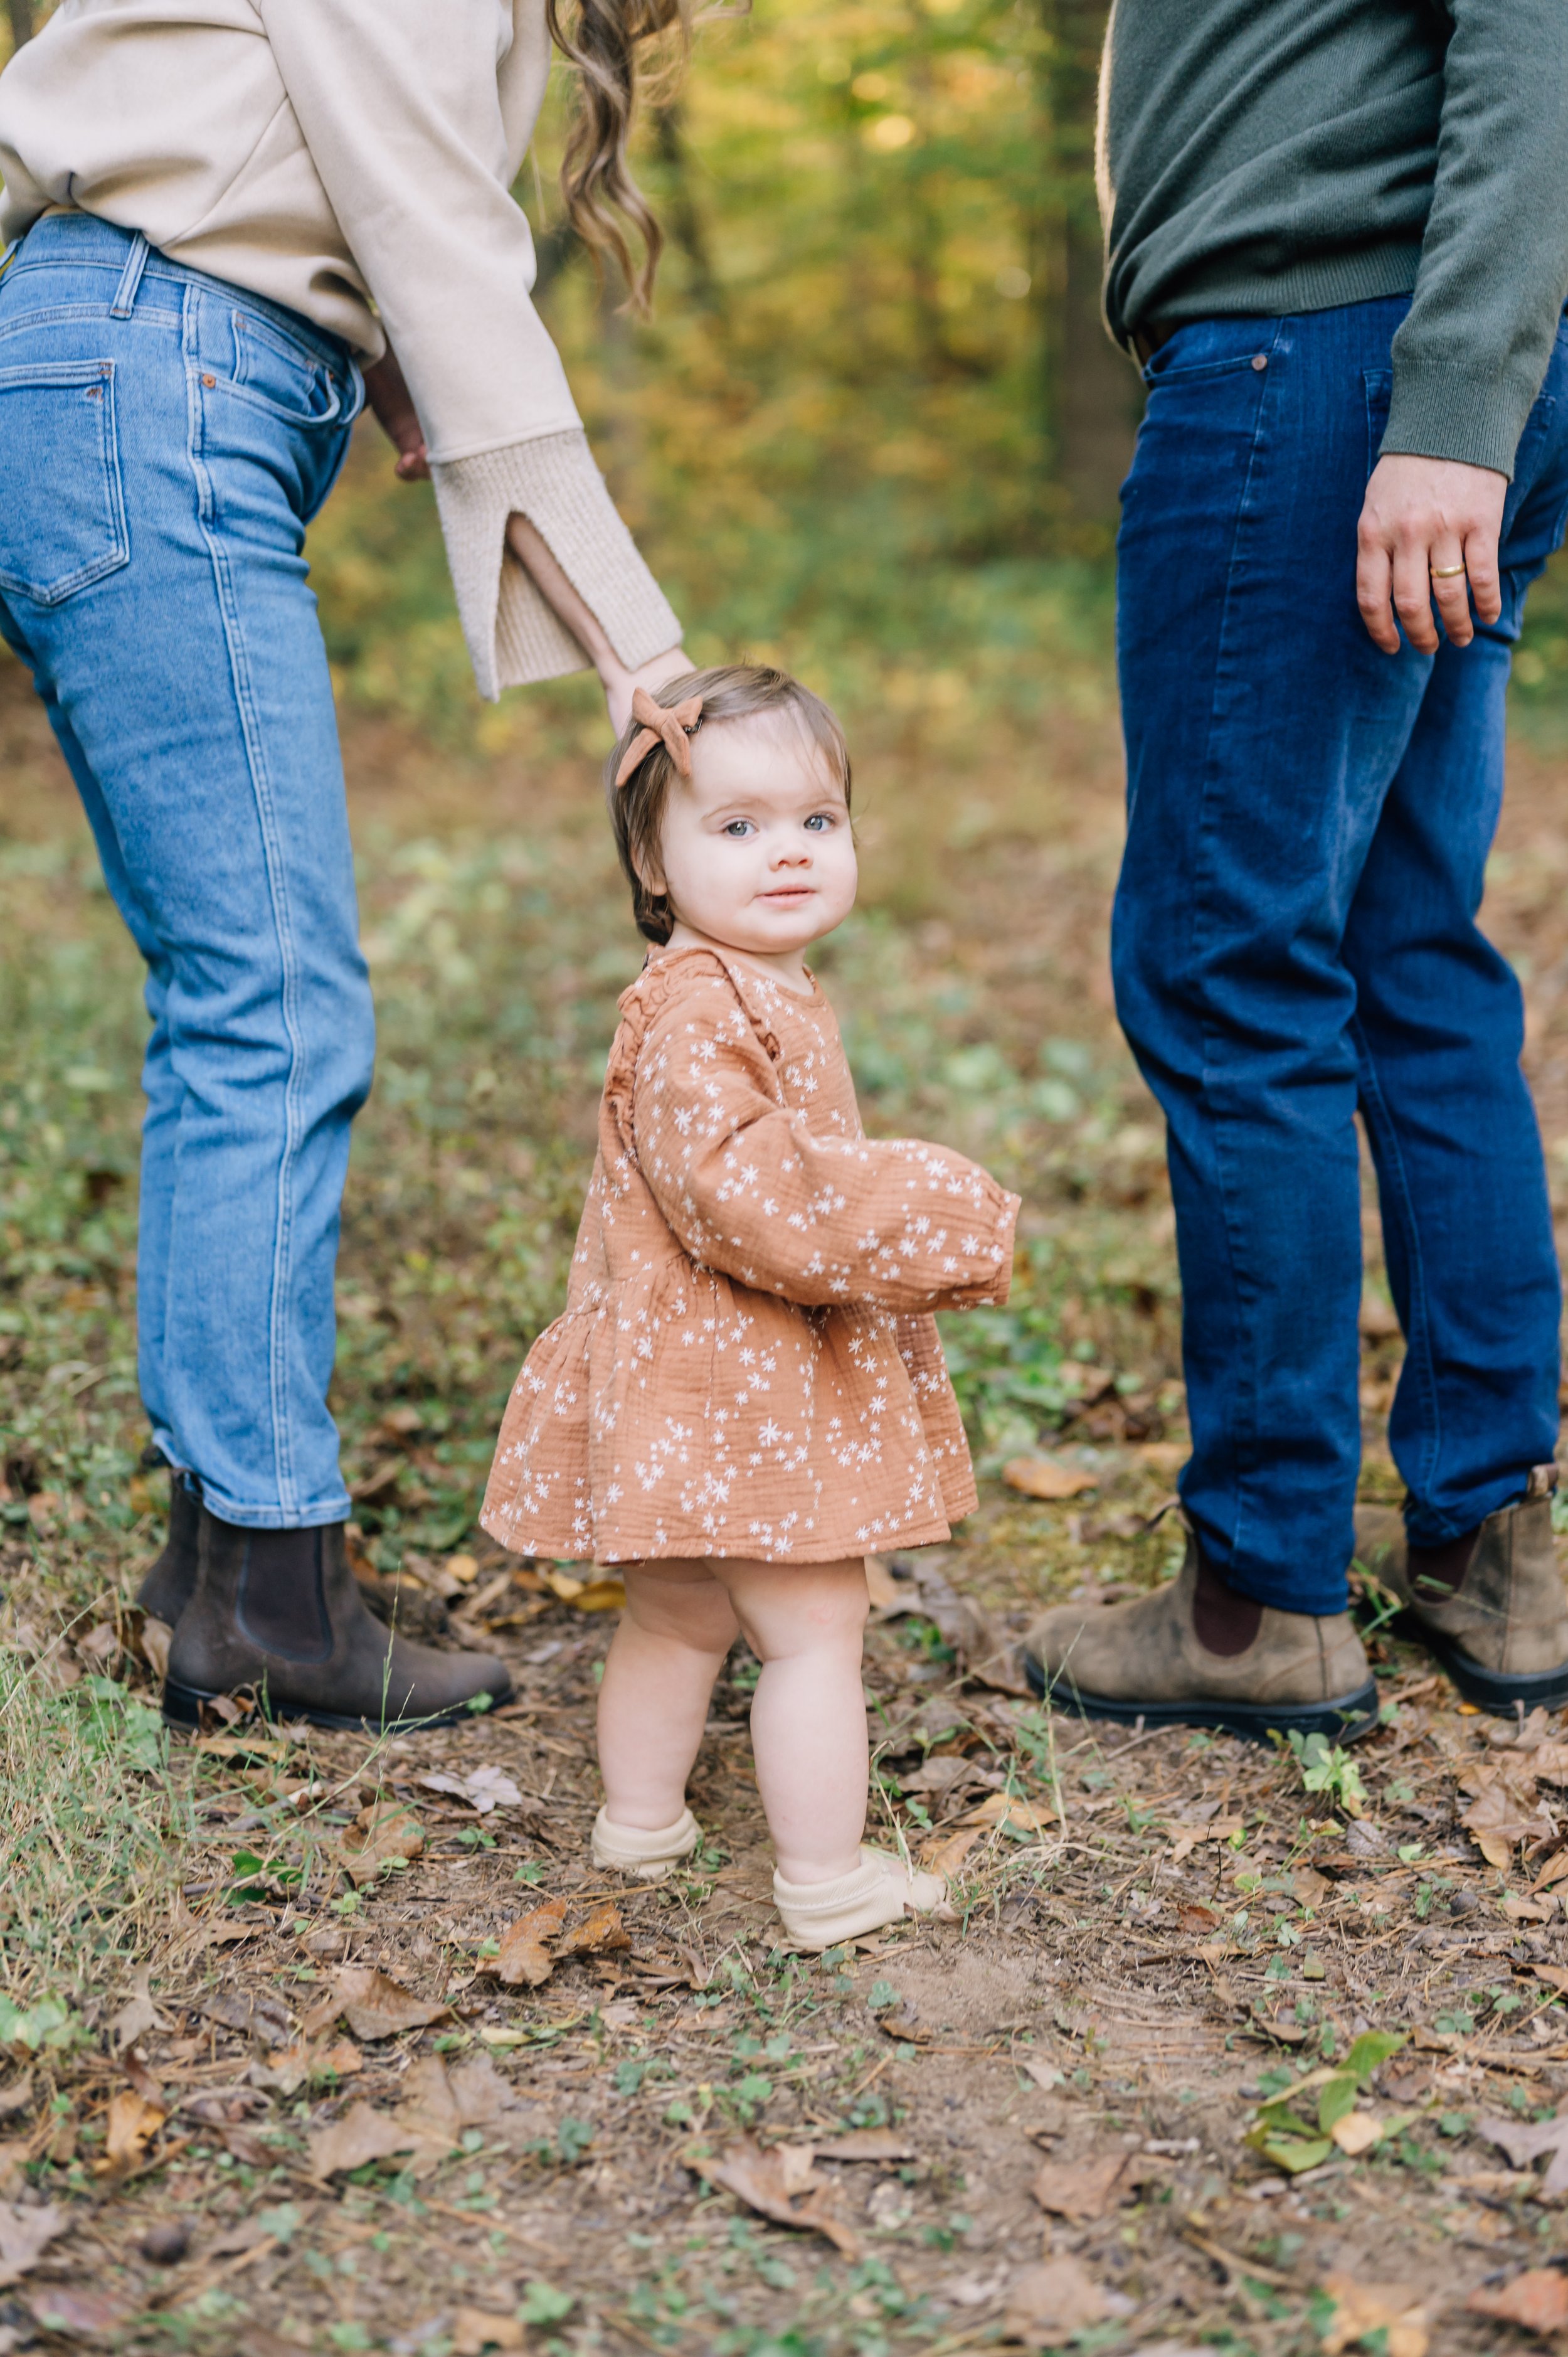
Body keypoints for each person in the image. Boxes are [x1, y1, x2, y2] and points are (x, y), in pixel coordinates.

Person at [0, 1, 695, 1728]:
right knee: (277, 997)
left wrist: (369, 366)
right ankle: (270, 1586)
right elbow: (423, 210)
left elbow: (290, 137)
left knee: (235, 990)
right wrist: (637, 639)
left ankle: (217, 1560)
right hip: (156, 378)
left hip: (126, 365)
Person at [1025, 0, 1568, 1738]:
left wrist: (1456, 396)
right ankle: (1490, 1542)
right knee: (1405, 947)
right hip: (1389, 361)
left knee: (1226, 958)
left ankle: (1256, 1596)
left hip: (1324, 364)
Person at [479, 666, 1020, 1946]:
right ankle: (825, 1877)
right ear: (649, 863)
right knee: (813, 1631)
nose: (785, 851)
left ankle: (641, 1818)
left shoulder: (744, 984)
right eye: (736, 826)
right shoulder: (692, 1009)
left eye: (815, 822)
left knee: (678, 1608)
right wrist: (920, 1204)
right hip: (734, 1386)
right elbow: (742, 1192)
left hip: (691, 1379)